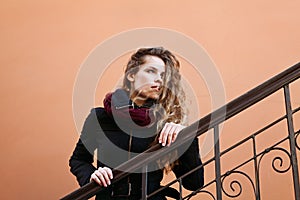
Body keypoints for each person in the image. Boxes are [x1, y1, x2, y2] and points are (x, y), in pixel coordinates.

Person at [69, 47, 204, 200]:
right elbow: (78, 159)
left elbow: (194, 183)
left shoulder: (164, 122)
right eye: (151, 71)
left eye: (162, 75)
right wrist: (92, 176)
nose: (159, 79)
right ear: (132, 75)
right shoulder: (99, 117)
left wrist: (186, 136)